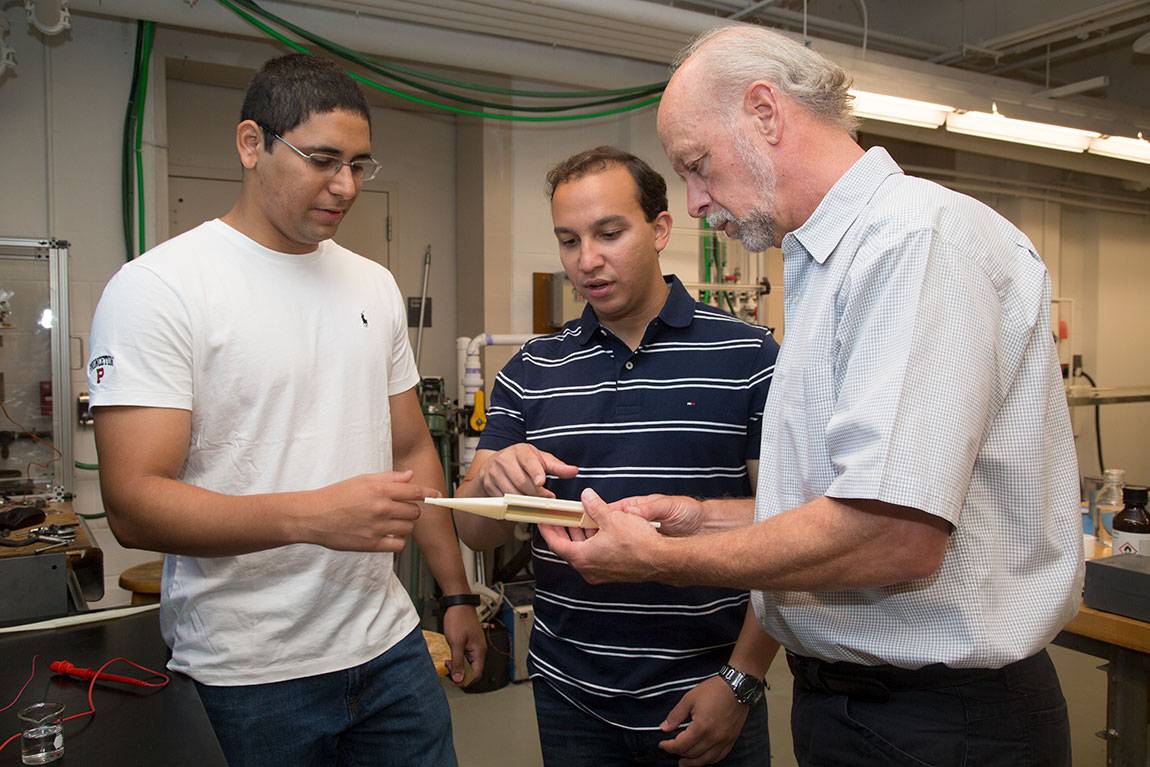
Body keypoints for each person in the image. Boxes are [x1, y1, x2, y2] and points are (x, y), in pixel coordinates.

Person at [540, 27, 1083, 767]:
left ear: (766, 112)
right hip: (856, 704)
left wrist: (667, 563)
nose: (696, 203)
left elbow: (896, 534)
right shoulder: (829, 263)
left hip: (937, 722)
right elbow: (843, 499)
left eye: (698, 167)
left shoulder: (911, 243)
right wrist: (700, 521)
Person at [87, 54, 484, 767]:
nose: (345, 186)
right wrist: (313, 515)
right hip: (248, 671)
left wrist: (454, 593)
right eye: (323, 159)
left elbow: (410, 451)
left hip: (387, 649)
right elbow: (133, 502)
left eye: (360, 165)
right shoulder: (160, 289)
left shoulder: (374, 285)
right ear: (251, 144)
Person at [454, 146, 781, 767]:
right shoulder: (530, 372)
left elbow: (790, 526)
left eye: (609, 233)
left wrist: (743, 678)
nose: (587, 260)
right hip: (571, 697)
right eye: (569, 240)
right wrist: (487, 480)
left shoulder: (750, 357)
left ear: (660, 229)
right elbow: (472, 531)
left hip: (708, 689)